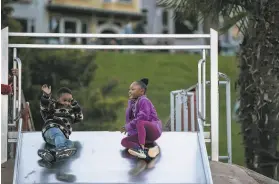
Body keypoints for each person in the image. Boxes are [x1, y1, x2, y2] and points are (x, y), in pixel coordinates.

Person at [37, 84, 83, 163]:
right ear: (58, 99)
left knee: (69, 143)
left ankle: (51, 154)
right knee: (58, 134)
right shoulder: (53, 107)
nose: (67, 103)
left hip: (60, 137)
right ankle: (61, 149)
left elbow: (80, 117)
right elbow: (44, 107)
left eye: (69, 101)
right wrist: (46, 96)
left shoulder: (70, 112)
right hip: (51, 129)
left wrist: (74, 104)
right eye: (64, 100)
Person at [121, 78, 162, 160]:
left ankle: (142, 148)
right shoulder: (132, 104)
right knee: (124, 141)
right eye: (129, 89)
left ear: (142, 91)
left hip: (153, 130)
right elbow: (129, 120)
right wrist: (131, 134)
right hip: (143, 134)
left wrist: (128, 127)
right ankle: (140, 150)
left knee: (140, 122)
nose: (130, 91)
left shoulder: (144, 101)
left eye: (133, 89)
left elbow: (142, 118)